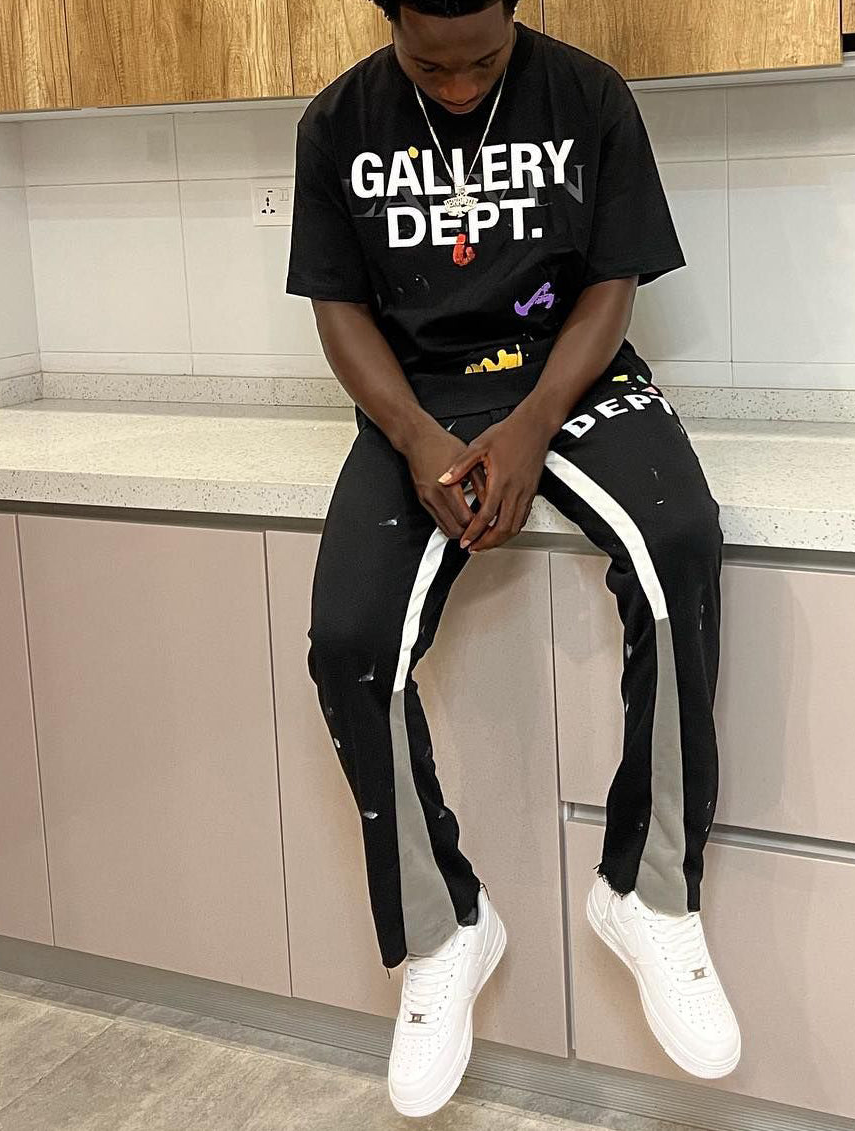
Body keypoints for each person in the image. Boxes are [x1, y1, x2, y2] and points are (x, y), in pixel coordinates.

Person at [286, 0, 739, 1116]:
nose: (456, 86)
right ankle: (445, 927)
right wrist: (415, 437)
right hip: (417, 399)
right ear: (388, 24)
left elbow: (611, 285)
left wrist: (533, 424)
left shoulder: (588, 95)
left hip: (572, 376)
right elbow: (338, 312)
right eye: (427, 65)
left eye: (482, 62)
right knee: (348, 640)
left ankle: (650, 891)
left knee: (677, 543)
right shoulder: (336, 122)